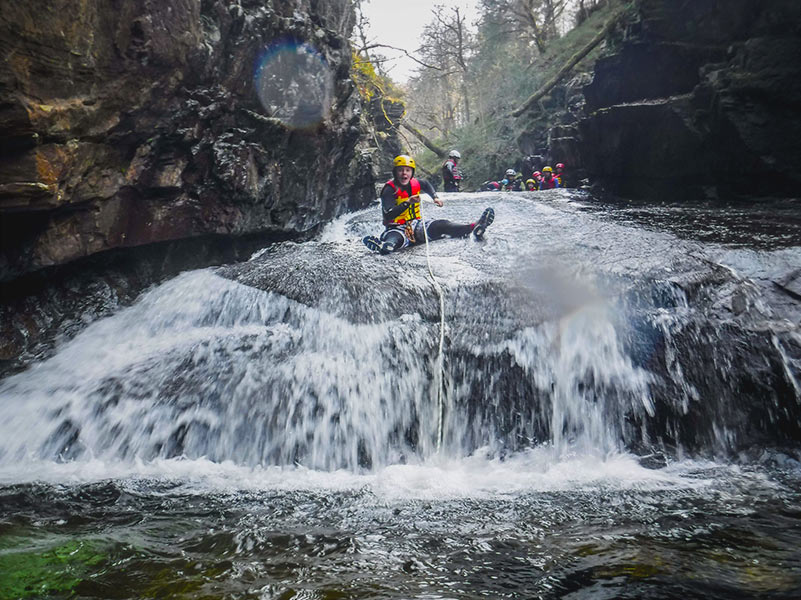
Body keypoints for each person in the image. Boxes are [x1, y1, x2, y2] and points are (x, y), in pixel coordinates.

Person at [363, 155, 495, 255]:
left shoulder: (415, 183)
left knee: (442, 225)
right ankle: (385, 246)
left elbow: (426, 184)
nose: (404, 173)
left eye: (408, 170)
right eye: (401, 170)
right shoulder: (389, 190)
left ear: (412, 172)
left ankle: (474, 227)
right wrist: (407, 202)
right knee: (394, 239)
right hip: (396, 228)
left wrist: (435, 197)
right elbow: (388, 213)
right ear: (395, 172)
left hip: (417, 224)